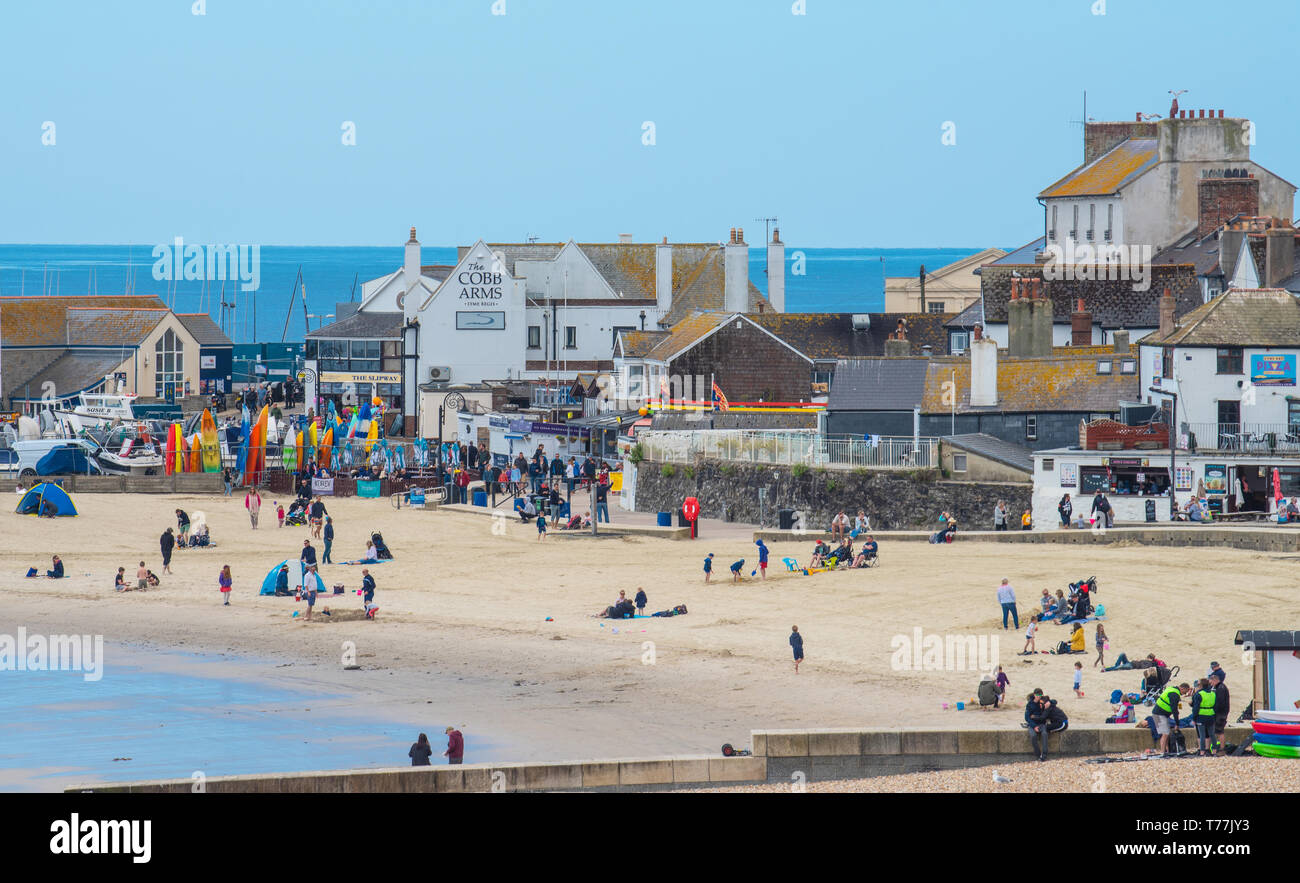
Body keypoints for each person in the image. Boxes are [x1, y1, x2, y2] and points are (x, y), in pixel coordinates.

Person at [1153, 682, 1191, 756]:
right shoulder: (1174, 694)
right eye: (1184, 692)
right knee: (1165, 733)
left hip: (1161, 713)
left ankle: (1167, 751)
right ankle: (1162, 752)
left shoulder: (1172, 689)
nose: (1184, 694)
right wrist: (1177, 723)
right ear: (1182, 688)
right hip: (1159, 714)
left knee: (1166, 733)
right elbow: (1174, 710)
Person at [1192, 678, 1218, 757]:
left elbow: (1196, 708)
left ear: (1201, 685)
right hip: (1211, 715)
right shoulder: (1213, 693)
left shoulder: (1199, 694)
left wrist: (1194, 718)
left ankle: (1202, 751)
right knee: (1212, 734)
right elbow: (1215, 706)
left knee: (1202, 735)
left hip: (1201, 715)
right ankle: (1214, 750)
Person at [1210, 672, 1229, 756]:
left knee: (1220, 731)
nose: (1211, 684)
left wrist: (1214, 710)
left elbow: (1220, 702)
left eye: (1211, 682)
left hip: (1220, 713)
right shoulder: (1220, 687)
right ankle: (1218, 748)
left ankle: (1222, 749)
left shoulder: (1221, 688)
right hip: (1222, 712)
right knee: (1218, 731)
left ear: (1215, 680)